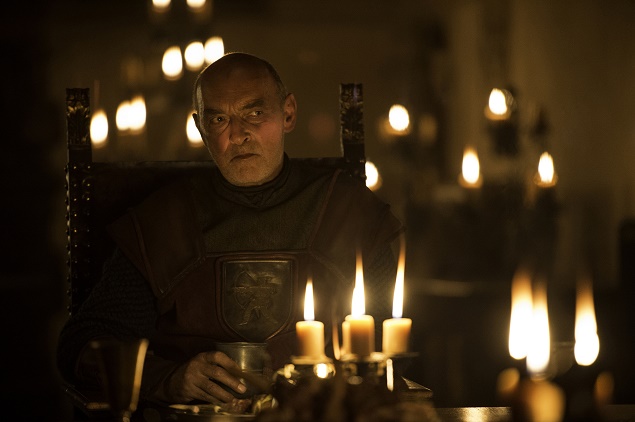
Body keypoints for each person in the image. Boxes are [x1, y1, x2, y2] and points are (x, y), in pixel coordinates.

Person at [57, 52, 403, 407]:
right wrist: (167, 379)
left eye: (255, 113)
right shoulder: (163, 221)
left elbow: (385, 337)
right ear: (200, 128)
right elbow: (83, 344)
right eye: (219, 119)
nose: (238, 135)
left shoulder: (347, 211)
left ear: (288, 113)